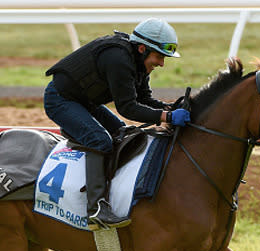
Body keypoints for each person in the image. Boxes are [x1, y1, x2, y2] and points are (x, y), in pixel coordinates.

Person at [43, 18, 190, 231]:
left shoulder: (137, 62)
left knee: (124, 132)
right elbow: (128, 107)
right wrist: (166, 117)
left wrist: (170, 108)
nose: (161, 63)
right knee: (100, 140)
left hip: (84, 101)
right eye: (159, 57)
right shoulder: (118, 59)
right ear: (142, 49)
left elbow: (144, 100)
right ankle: (95, 209)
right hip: (61, 100)